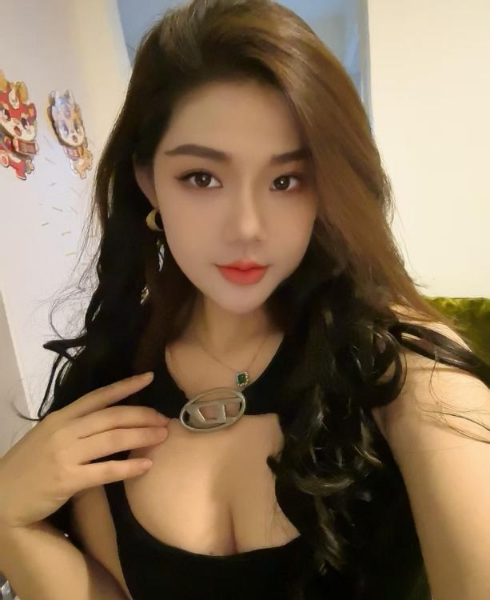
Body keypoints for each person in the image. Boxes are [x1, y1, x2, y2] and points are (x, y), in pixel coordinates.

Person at [1, 1, 489, 599]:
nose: (248, 228)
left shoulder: (400, 367)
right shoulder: (105, 381)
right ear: (149, 182)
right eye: (202, 178)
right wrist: (8, 518)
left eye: (286, 180)